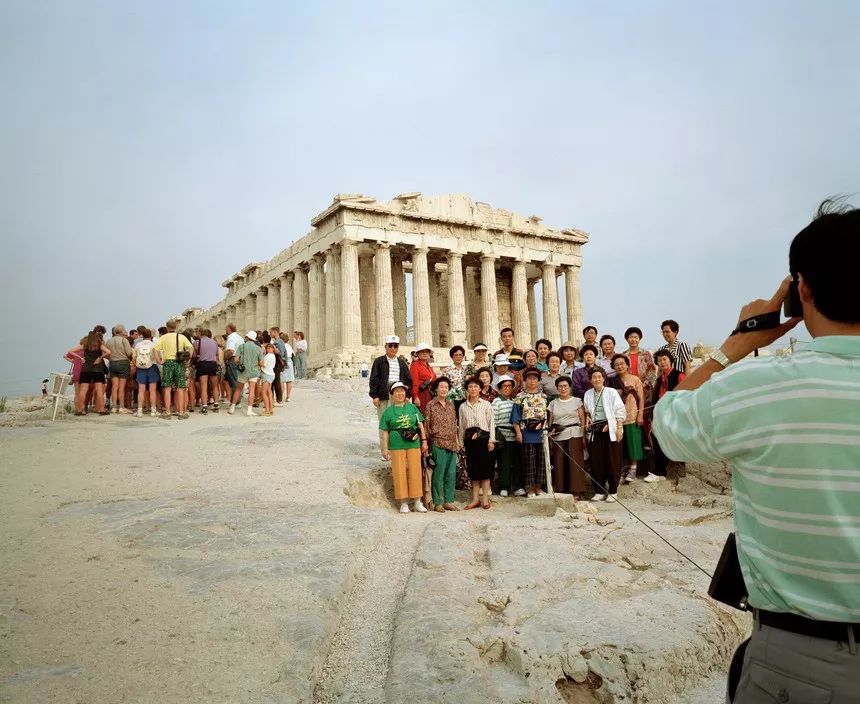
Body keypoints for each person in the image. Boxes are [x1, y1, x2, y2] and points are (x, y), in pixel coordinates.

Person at [653, 201, 860, 703]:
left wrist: (734, 346)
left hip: (805, 661)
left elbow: (668, 423)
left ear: (800, 291)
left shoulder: (760, 387)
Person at [379, 381, 428, 514]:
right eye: (397, 391)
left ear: (406, 393)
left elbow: (420, 425)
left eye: (402, 391)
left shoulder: (412, 408)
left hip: (413, 442)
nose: (400, 394)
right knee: (399, 472)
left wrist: (424, 441)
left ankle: (417, 502)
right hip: (396, 444)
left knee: (415, 471)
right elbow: (385, 431)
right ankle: (404, 502)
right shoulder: (388, 412)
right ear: (392, 394)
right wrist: (385, 449)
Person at [583, 367, 626, 501]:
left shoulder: (611, 392)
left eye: (599, 377)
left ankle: (613, 491)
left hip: (611, 429)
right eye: (594, 377)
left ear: (603, 378)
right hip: (595, 431)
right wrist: (588, 418)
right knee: (596, 461)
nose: (597, 379)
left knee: (613, 461)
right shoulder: (588, 394)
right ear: (590, 380)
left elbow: (620, 411)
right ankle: (599, 491)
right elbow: (587, 411)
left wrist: (618, 428)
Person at [423, 377, 461, 512]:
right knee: (438, 474)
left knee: (451, 474)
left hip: (452, 443)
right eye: (441, 387)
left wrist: (457, 442)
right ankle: (437, 502)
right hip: (438, 443)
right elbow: (427, 425)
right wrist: (426, 443)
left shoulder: (451, 405)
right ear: (436, 389)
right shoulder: (430, 405)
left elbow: (454, 425)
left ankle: (448, 501)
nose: (444, 389)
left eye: (446, 387)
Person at [646, 349, 685, 482]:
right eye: (659, 360)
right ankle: (660, 471)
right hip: (661, 415)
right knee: (656, 439)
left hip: (674, 415)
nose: (662, 362)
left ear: (670, 361)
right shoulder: (659, 379)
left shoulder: (679, 375)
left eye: (665, 359)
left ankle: (664, 471)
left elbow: (685, 394)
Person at [458, 376, 496, 509]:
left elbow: (491, 423)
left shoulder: (486, 404)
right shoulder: (463, 407)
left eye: (475, 386)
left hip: (484, 440)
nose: (473, 389)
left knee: (485, 470)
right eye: (470, 386)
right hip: (469, 441)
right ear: (467, 389)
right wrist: (460, 443)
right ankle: (475, 499)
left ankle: (485, 499)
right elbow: (461, 426)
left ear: (480, 389)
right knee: (473, 470)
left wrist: (491, 440)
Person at [547, 376, 587, 498]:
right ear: (557, 388)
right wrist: (550, 437)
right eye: (560, 386)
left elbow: (582, 419)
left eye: (565, 386)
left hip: (574, 433)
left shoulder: (577, 401)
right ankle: (561, 490)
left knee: (574, 463)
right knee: (559, 463)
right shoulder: (553, 403)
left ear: (570, 387)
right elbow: (550, 421)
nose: (563, 389)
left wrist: (583, 436)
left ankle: (576, 491)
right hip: (558, 435)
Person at [369, 336, 413, 447]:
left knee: (398, 420)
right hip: (384, 394)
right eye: (390, 345)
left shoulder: (401, 363)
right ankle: (385, 449)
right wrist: (374, 396)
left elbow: (408, 380)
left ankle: (396, 447)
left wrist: (408, 395)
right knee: (384, 422)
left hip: (398, 394)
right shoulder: (379, 361)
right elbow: (374, 379)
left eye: (395, 346)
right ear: (386, 346)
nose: (393, 348)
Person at [511, 368, 548, 497]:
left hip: (541, 433)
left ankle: (539, 487)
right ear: (525, 380)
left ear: (538, 381)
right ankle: (530, 488)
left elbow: (548, 416)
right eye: (529, 378)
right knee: (529, 462)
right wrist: (518, 433)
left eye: (535, 378)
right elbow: (515, 417)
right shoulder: (520, 397)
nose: (532, 381)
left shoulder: (544, 397)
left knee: (541, 462)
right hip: (526, 433)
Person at [611, 354, 645, 483]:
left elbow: (641, 398)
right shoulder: (612, 381)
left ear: (627, 365)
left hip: (632, 415)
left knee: (633, 443)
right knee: (621, 445)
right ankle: (624, 469)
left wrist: (640, 415)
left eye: (622, 364)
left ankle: (633, 468)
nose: (619, 366)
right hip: (618, 418)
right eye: (616, 364)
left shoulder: (635, 379)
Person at [153, 322, 193, 419]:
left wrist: (159, 361)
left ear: (167, 327)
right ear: (176, 327)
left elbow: (154, 349)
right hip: (179, 363)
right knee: (180, 388)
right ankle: (181, 412)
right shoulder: (181, 337)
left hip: (168, 363)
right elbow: (191, 348)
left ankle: (167, 412)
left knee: (167, 388)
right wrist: (188, 360)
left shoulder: (163, 337)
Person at [492, 375, 523, 497]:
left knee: (517, 462)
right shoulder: (496, 402)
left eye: (509, 386)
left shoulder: (515, 401)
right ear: (500, 388)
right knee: (503, 463)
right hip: (502, 436)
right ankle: (504, 487)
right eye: (504, 386)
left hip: (515, 436)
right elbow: (493, 421)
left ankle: (518, 487)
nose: (507, 388)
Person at [621, 327, 657, 406]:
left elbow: (652, 370)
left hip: (645, 389)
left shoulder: (646, 354)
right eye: (631, 337)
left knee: (645, 409)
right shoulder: (623, 355)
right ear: (627, 339)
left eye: (635, 337)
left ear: (639, 339)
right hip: (629, 390)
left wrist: (645, 383)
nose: (633, 339)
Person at [230, 330, 263, 416]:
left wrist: (240, 363)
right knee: (251, 390)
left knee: (238, 389)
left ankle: (232, 407)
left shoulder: (241, 346)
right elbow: (261, 363)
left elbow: (236, 359)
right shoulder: (258, 348)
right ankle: (249, 410)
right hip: (254, 371)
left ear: (247, 337)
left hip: (243, 371)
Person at [105, 325, 134, 414]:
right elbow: (129, 353)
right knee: (122, 387)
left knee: (114, 386)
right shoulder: (124, 340)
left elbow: (106, 353)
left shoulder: (109, 341)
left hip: (112, 363)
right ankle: (121, 407)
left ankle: (114, 407)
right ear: (122, 331)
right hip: (123, 363)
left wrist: (111, 357)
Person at [132, 328, 159, 417]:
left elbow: (134, 357)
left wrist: (135, 365)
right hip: (152, 367)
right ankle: (153, 410)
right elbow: (157, 357)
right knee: (152, 390)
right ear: (151, 335)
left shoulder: (138, 345)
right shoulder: (154, 344)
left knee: (141, 390)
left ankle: (139, 411)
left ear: (142, 336)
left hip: (141, 367)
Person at [193, 329, 220, 414]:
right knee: (215, 386)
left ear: (200, 333)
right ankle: (216, 404)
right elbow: (216, 354)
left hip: (203, 364)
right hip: (213, 364)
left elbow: (194, 355)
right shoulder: (214, 342)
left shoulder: (197, 342)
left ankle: (204, 406)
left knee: (203, 386)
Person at [410, 342, 436, 413]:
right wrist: (415, 397)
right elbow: (414, 382)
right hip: (421, 394)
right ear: (418, 354)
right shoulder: (415, 365)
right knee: (422, 415)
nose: (424, 353)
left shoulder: (428, 366)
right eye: (422, 352)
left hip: (430, 394)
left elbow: (434, 379)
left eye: (426, 352)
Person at [223, 323, 244, 403]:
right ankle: (238, 399)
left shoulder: (231, 338)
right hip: (240, 359)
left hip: (232, 359)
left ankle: (235, 401)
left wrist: (225, 358)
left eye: (226, 328)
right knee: (238, 380)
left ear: (229, 329)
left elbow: (231, 351)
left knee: (233, 381)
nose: (225, 330)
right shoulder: (240, 337)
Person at [259, 343, 276, 416]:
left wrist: (258, 362)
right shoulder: (273, 356)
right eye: (267, 348)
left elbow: (263, 364)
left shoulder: (268, 356)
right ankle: (271, 409)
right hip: (271, 374)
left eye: (269, 348)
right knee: (269, 391)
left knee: (264, 392)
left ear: (273, 349)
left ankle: (267, 410)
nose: (268, 349)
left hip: (266, 374)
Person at [278, 332, 295, 402]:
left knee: (282, 380)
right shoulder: (289, 346)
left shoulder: (281, 346)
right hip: (290, 362)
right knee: (289, 380)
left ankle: (281, 397)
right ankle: (288, 397)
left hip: (283, 362)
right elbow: (293, 354)